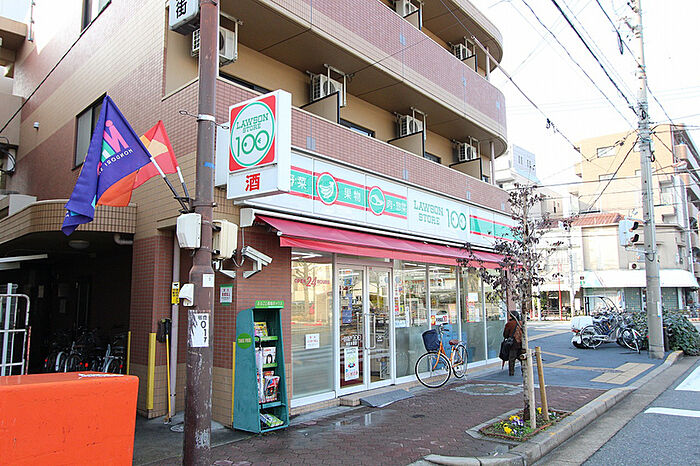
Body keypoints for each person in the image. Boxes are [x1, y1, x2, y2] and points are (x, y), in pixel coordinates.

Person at [503, 311, 523, 376]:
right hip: (521, 343)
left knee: (512, 358)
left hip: (513, 343)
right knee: (522, 358)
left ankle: (511, 372)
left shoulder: (510, 324)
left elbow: (505, 334)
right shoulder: (521, 323)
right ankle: (524, 371)